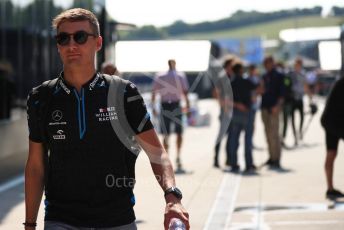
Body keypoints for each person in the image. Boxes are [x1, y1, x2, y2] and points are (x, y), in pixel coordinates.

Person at [25, 8, 189, 230]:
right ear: (57, 45)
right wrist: (30, 224)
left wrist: (172, 197)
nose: (71, 44)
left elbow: (157, 152)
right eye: (63, 38)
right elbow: (36, 165)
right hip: (60, 219)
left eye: (80, 37)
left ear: (98, 42)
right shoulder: (41, 97)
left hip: (117, 219)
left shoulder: (123, 93)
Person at [151, 59, 190, 171]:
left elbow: (154, 92)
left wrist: (153, 107)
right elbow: (185, 92)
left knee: (165, 133)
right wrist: (187, 105)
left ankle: (166, 158)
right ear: (174, 64)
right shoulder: (180, 75)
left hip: (164, 105)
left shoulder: (160, 75)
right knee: (179, 132)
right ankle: (178, 155)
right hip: (176, 105)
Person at [226, 63, 258, 172]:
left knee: (234, 139)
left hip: (235, 113)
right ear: (240, 70)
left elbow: (228, 100)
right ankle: (249, 164)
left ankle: (234, 163)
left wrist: (237, 105)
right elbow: (258, 88)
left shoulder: (231, 83)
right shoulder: (246, 81)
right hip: (247, 113)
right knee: (248, 139)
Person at [321, 77, 344, 200]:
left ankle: (330, 189)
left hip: (332, 121)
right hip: (332, 121)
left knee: (331, 153)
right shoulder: (341, 83)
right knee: (331, 153)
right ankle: (330, 189)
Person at [261, 56, 285, 169]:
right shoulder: (265, 76)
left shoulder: (279, 75)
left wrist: (277, 106)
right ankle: (271, 157)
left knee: (274, 134)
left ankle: (277, 158)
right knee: (267, 134)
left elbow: (282, 93)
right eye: (265, 63)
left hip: (274, 107)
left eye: (268, 63)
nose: (266, 65)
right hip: (265, 107)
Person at [213, 58, 233, 168]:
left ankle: (229, 159)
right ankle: (216, 159)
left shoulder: (230, 76)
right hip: (225, 110)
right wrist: (223, 106)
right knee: (222, 134)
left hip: (230, 109)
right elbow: (216, 93)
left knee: (230, 136)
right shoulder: (222, 77)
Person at [244, 64, 262, 170]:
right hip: (248, 108)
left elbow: (260, 90)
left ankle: (248, 162)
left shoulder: (256, 79)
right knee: (248, 135)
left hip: (254, 107)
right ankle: (248, 163)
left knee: (250, 132)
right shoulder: (247, 79)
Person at [290, 58, 308, 145]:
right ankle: (295, 136)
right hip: (293, 98)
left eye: (299, 65)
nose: (297, 66)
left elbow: (305, 85)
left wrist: (310, 98)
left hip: (300, 98)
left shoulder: (303, 74)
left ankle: (300, 131)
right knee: (292, 118)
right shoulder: (291, 74)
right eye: (296, 65)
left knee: (302, 117)